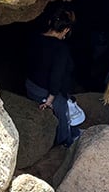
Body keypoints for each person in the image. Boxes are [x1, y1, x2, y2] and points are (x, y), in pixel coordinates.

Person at [25, 8, 79, 147]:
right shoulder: (60, 48)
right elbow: (57, 75)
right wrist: (50, 99)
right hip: (43, 90)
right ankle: (65, 141)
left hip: (30, 84)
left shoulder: (35, 39)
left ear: (50, 22)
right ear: (66, 30)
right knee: (62, 108)